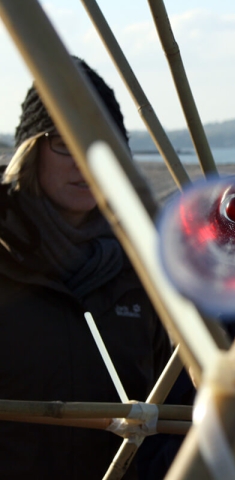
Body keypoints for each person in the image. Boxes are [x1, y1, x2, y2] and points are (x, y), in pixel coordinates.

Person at [0, 57, 173, 479]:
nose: (84, 159)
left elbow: (170, 407)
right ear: (31, 150)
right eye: (64, 140)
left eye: (100, 143)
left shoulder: (147, 264)